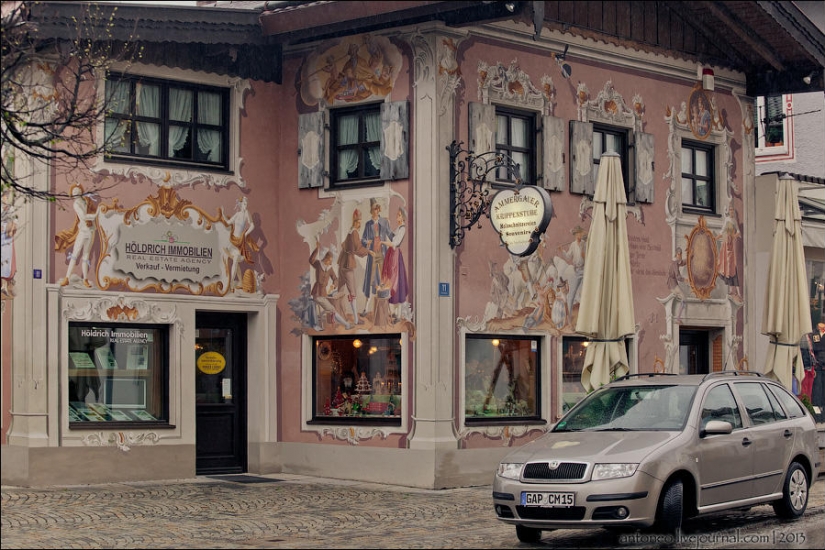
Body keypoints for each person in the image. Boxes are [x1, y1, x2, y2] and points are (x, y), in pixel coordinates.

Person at [56, 184, 98, 288]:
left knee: (86, 255)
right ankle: (67, 278)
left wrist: (94, 214)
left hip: (91, 230)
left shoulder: (86, 201)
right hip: (83, 230)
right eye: (74, 192)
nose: (76, 193)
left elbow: (90, 210)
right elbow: (83, 216)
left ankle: (85, 279)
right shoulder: (76, 204)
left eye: (77, 191)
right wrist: (96, 215)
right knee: (75, 254)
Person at [339, 208, 372, 325]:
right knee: (353, 293)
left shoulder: (350, 231)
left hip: (342, 262)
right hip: (348, 264)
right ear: (355, 222)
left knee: (340, 290)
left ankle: (340, 317)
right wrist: (368, 251)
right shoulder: (354, 232)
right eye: (359, 222)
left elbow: (353, 244)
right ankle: (356, 320)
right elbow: (357, 248)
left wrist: (364, 244)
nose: (360, 224)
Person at [309, 239, 351, 331]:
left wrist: (334, 285)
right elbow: (311, 260)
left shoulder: (330, 268)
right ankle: (346, 324)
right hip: (317, 293)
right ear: (326, 259)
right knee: (332, 309)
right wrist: (316, 249)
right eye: (329, 260)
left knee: (331, 308)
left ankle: (346, 324)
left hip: (323, 294)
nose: (330, 262)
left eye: (331, 261)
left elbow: (335, 279)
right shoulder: (318, 264)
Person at [361, 198, 393, 316]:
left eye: (378, 208)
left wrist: (399, 236)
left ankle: (389, 309)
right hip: (373, 255)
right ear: (371, 210)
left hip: (382, 254)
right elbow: (363, 239)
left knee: (385, 280)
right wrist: (366, 242)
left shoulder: (384, 222)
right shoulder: (368, 224)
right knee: (371, 281)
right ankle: (366, 308)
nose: (376, 210)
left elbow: (390, 234)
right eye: (374, 208)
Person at [380, 206, 409, 320]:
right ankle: (393, 313)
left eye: (399, 215)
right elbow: (392, 236)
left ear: (402, 217)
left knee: (396, 282)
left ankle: (398, 314)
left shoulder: (403, 229)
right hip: (391, 255)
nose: (397, 216)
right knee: (389, 280)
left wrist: (383, 242)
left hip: (395, 257)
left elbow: (394, 243)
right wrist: (387, 224)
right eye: (397, 215)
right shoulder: (398, 228)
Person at [227, 196, 258, 291]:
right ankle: (240, 281)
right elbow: (228, 222)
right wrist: (222, 214)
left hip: (239, 242)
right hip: (232, 240)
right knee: (235, 262)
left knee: (235, 260)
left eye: (247, 204)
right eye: (244, 204)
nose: (246, 205)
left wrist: (245, 234)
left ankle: (231, 283)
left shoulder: (247, 214)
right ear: (241, 204)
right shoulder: (237, 214)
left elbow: (252, 225)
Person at [667, 247, 687, 323]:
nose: (680, 256)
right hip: (672, 283)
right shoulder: (674, 264)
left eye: (681, 254)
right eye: (679, 254)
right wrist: (684, 279)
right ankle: (678, 318)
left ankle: (678, 317)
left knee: (681, 298)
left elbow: (682, 263)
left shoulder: (676, 262)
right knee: (684, 298)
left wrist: (689, 258)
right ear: (677, 254)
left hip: (672, 283)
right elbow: (678, 276)